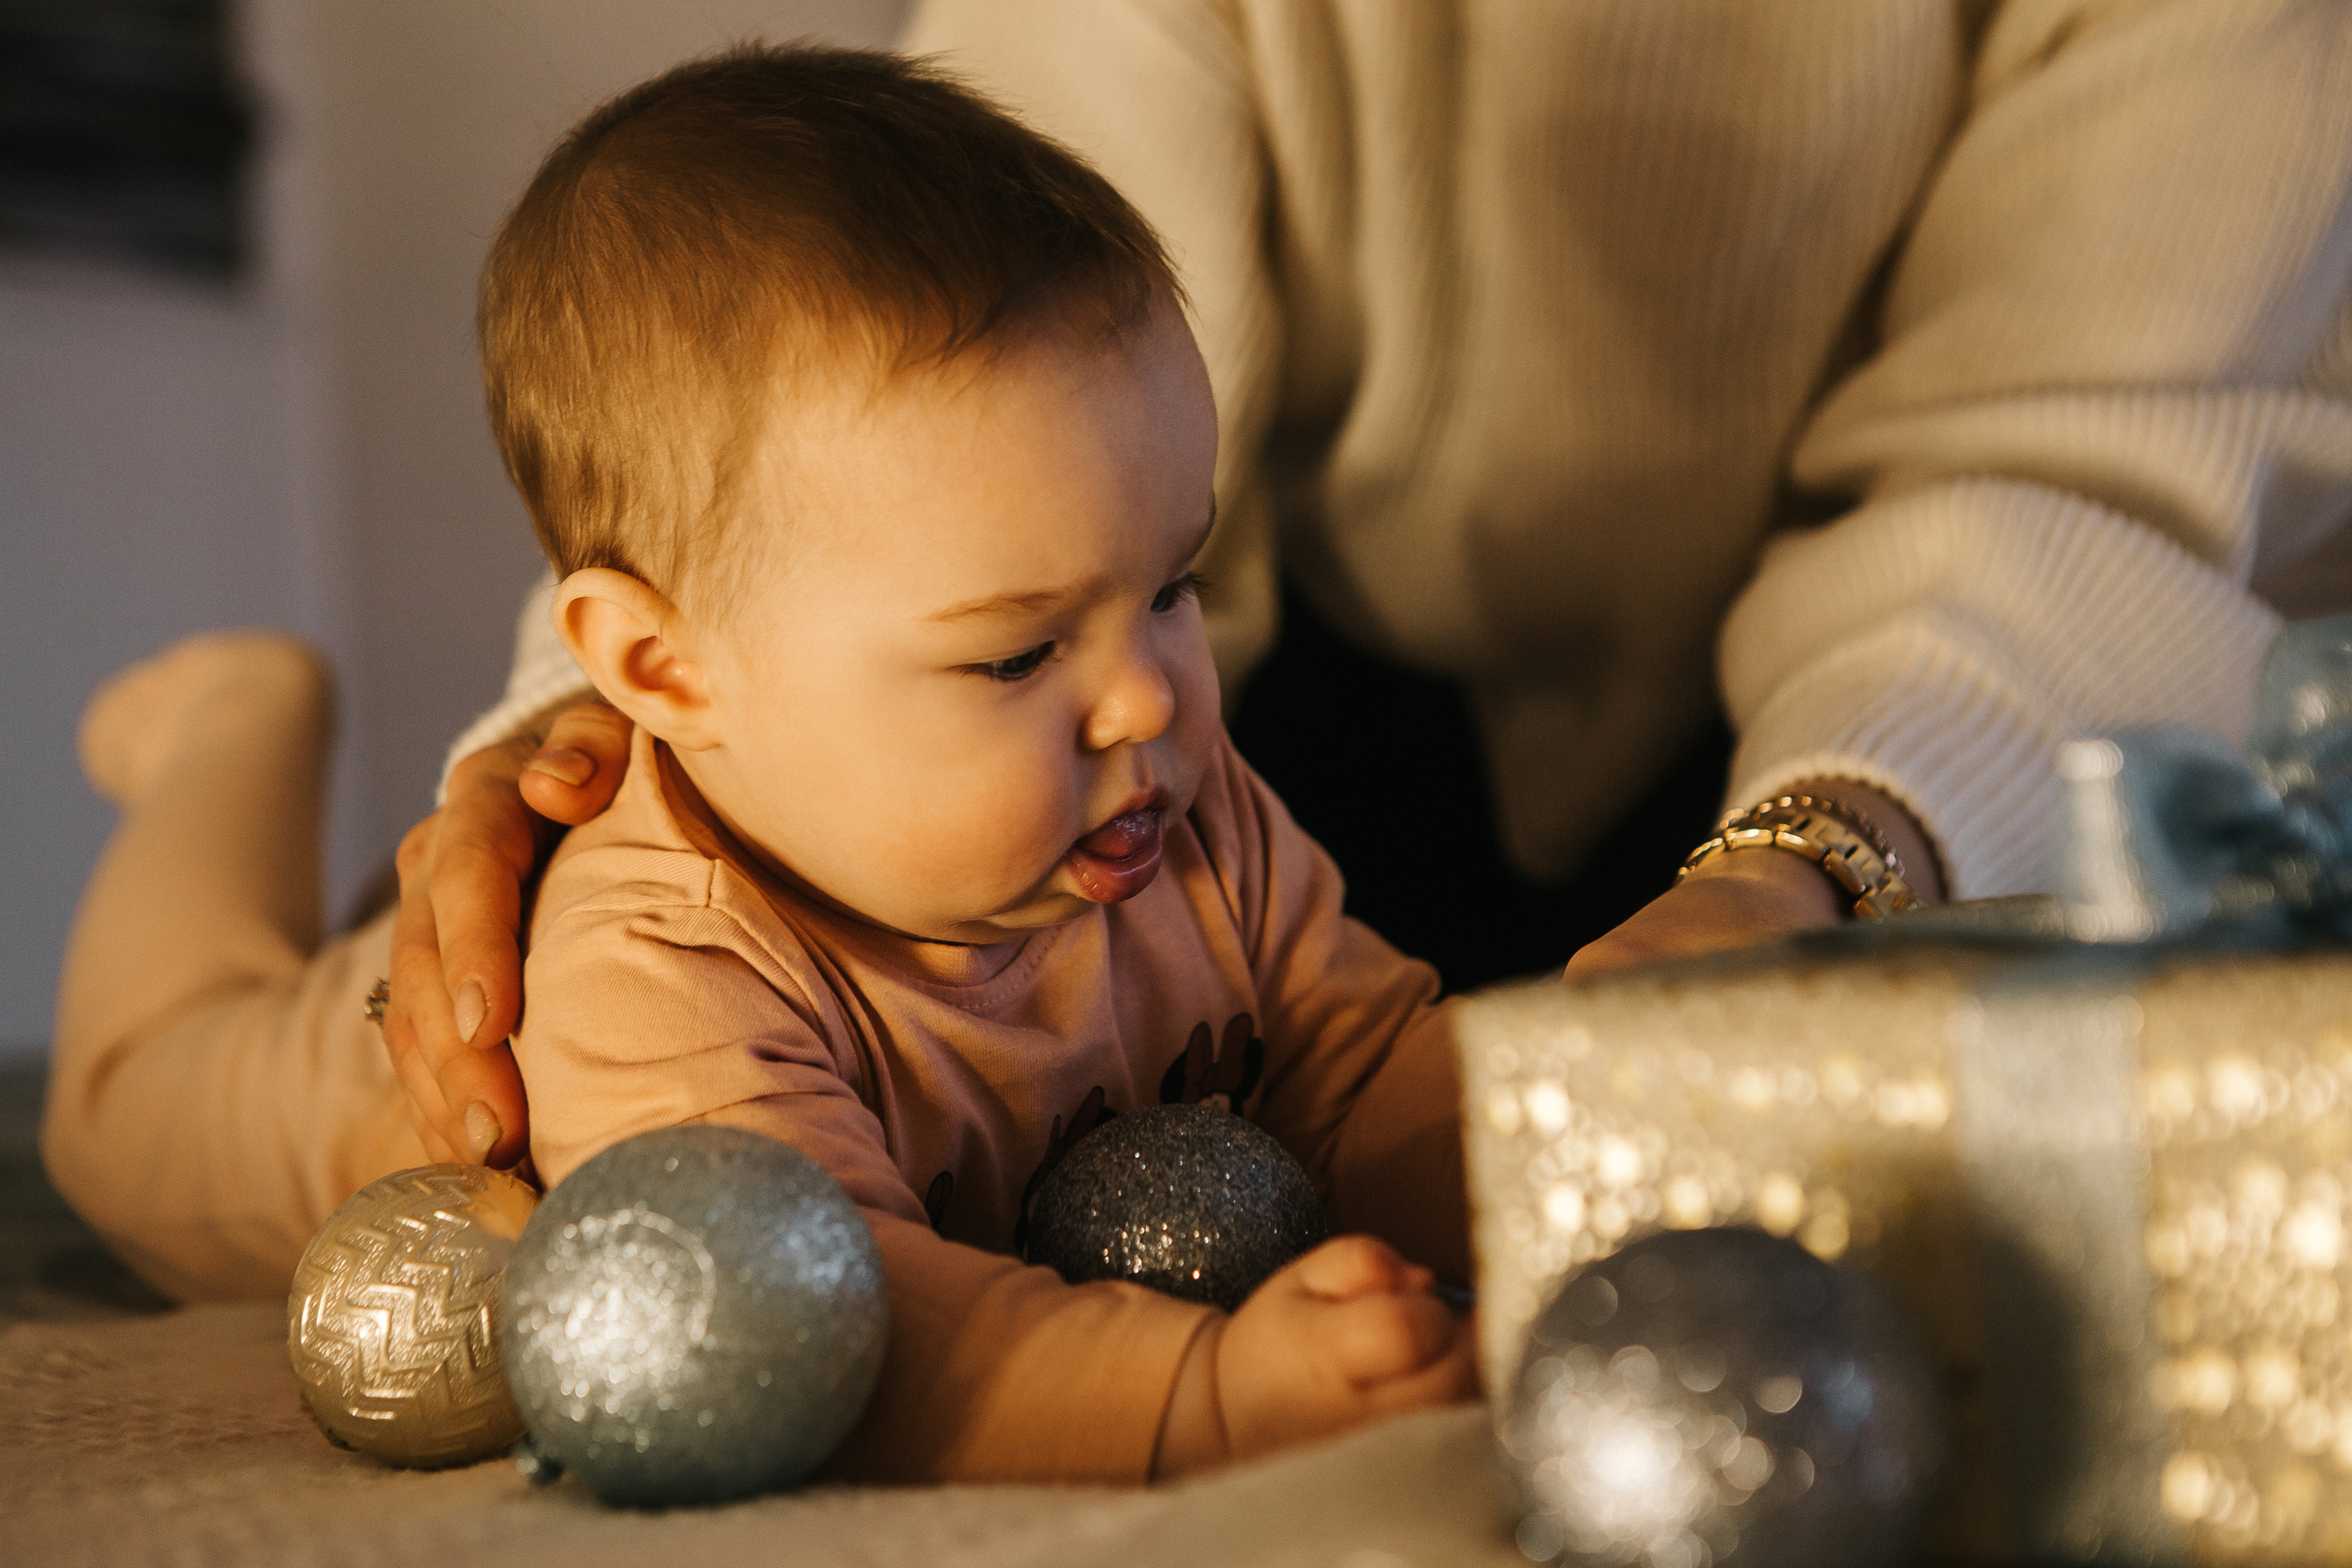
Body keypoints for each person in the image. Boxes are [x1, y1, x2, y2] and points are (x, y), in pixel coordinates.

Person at [379, 0, 2352, 1179]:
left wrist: (1811, 855)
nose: (1125, 685)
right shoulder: (1113, 701)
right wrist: (618, 750)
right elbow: (944, 410)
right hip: (1322, 670)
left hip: (1963, 708)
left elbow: (2079, 446)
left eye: (1144, 606)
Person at [51, 45, 1478, 1483]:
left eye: (1177, 584)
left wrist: (1554, 1167)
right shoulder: (662, 971)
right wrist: (1212, 1398)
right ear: (667, 671)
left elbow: (1370, 1078)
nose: (1143, 703)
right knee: (129, 1078)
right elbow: (830, 1325)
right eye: (1015, 656)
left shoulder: (1182, 816)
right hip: (312, 1092)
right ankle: (238, 724)